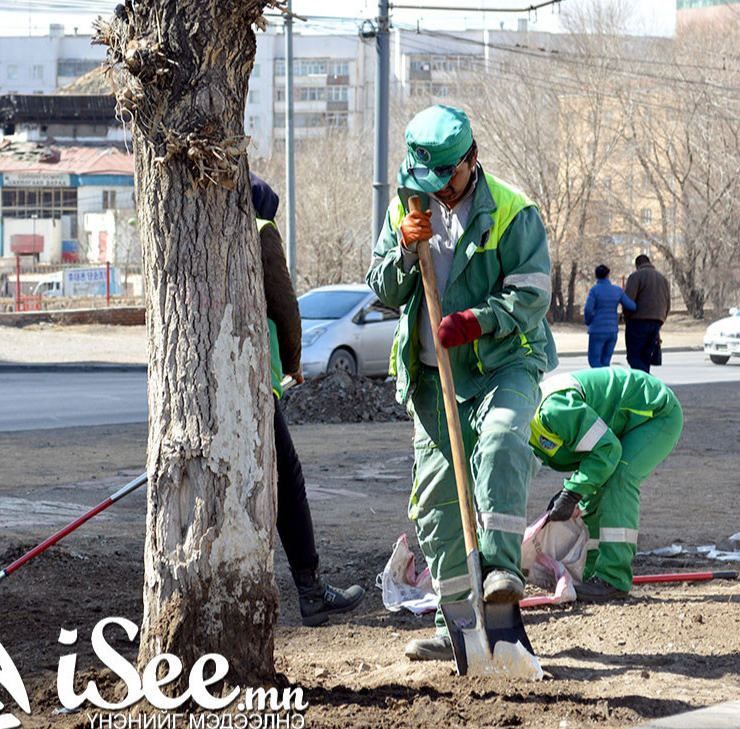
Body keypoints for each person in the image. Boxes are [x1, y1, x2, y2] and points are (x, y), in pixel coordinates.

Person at [366, 105, 557, 662]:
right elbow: (384, 287)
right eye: (429, 178)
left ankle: (500, 580)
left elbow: (532, 294)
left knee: (500, 441)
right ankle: (464, 632)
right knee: (437, 502)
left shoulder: (514, 212)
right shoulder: (409, 203)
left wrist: (479, 320)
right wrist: (402, 247)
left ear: (471, 161)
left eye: (448, 176)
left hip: (502, 363)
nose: (439, 190)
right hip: (432, 379)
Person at [251, 173, 365, 627]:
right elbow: (282, 300)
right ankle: (312, 591)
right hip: (255, 374)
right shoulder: (260, 229)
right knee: (286, 478)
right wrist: (294, 361)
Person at [529, 367, 683, 601]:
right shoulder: (526, 429)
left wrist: (571, 493)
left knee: (620, 478)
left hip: (656, 413)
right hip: (619, 428)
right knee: (590, 495)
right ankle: (590, 574)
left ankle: (613, 580)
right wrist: (575, 492)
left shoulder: (552, 411)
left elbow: (608, 449)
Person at [623, 254, 670, 372]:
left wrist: (626, 317)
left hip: (638, 321)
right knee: (646, 357)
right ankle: (645, 384)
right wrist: (660, 320)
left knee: (634, 356)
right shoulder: (663, 279)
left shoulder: (636, 276)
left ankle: (647, 381)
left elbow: (628, 300)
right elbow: (668, 304)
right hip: (657, 321)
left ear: (637, 266)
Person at [583, 264, 636, 368]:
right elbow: (631, 306)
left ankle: (601, 382)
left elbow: (588, 309)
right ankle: (607, 381)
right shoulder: (617, 290)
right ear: (608, 275)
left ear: (596, 276)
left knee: (594, 361)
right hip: (612, 330)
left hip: (597, 330)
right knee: (606, 361)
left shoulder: (594, 290)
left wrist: (588, 321)